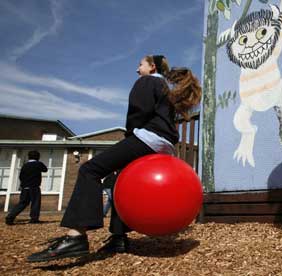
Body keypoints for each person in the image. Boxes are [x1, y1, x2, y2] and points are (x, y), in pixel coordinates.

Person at [27, 55, 202, 262]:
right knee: (121, 180)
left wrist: (130, 135)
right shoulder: (164, 86)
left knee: (89, 170)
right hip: (164, 145)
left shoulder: (147, 81)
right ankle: (119, 237)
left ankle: (76, 237)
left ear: (152, 66)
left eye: (140, 65)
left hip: (147, 138)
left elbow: (138, 114)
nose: (137, 70)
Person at [5, 150, 48, 225]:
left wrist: (23, 184)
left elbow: (21, 176)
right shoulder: (38, 164)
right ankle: (34, 219)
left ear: (29, 157)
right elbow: (45, 169)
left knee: (22, 203)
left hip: (25, 187)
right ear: (38, 157)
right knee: (35, 203)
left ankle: (10, 216)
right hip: (34, 187)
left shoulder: (25, 165)